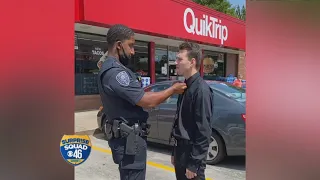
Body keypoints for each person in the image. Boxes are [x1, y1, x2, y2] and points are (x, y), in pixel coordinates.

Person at [96, 24, 187, 180]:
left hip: (128, 141)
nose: (133, 51)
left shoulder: (110, 67)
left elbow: (136, 95)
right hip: (130, 144)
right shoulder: (116, 74)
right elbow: (146, 101)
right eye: (130, 46)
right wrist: (171, 90)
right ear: (118, 45)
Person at [170, 42, 213, 180]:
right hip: (180, 152)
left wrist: (194, 163)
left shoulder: (201, 90)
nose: (176, 62)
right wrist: (174, 152)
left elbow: (204, 131)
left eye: (180, 59)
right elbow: (180, 122)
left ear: (192, 62)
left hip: (191, 156)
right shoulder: (184, 86)